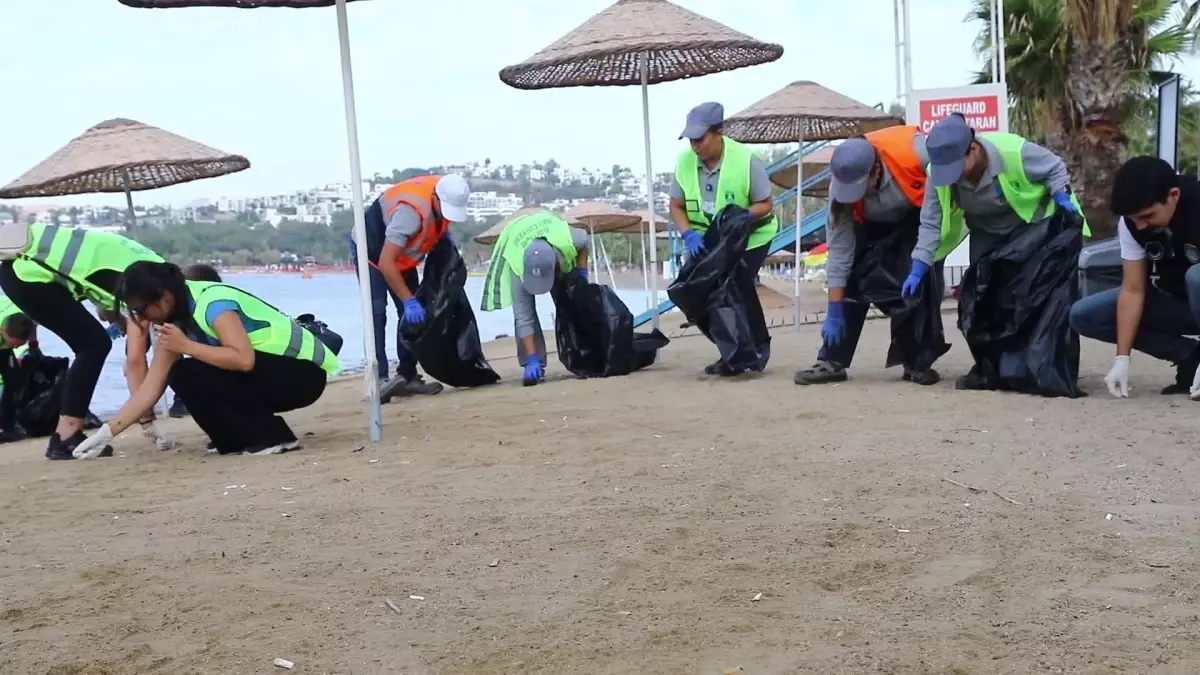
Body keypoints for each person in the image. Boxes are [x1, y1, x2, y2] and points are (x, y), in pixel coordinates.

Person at [73, 261, 341, 459]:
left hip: (302, 375)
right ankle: (231, 440)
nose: (142, 318)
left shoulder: (213, 303)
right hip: (269, 374)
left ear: (164, 296)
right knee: (181, 372)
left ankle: (274, 437)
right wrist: (108, 431)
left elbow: (243, 360)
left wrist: (187, 345)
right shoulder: (173, 321)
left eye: (142, 310)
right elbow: (151, 387)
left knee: (199, 368)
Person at [908, 113, 1087, 389]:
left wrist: (1061, 195)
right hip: (986, 233)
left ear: (974, 148)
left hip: (1032, 229)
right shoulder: (939, 173)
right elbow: (930, 222)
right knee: (982, 301)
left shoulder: (1014, 152)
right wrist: (919, 265)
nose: (954, 176)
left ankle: (1043, 365)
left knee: (1036, 296)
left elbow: (1054, 168)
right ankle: (992, 368)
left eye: (958, 166)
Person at [793, 125, 947, 386]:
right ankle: (831, 359)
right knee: (853, 276)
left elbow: (949, 176)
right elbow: (840, 253)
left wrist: (922, 262)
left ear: (876, 170)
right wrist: (833, 312)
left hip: (917, 218)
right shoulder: (839, 187)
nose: (855, 195)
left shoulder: (917, 153)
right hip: (871, 223)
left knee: (918, 285)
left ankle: (916, 362)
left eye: (859, 188)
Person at [0, 223, 163, 459]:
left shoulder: (149, 267)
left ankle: (66, 434)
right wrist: (148, 425)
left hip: (25, 265)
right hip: (28, 275)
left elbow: (102, 300)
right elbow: (135, 361)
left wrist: (119, 318)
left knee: (93, 342)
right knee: (93, 345)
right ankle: (66, 436)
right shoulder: (149, 289)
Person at [1069, 156, 1199, 398]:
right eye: (1133, 219)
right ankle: (1190, 357)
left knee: (1197, 276)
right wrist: (1122, 357)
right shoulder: (1132, 225)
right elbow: (1132, 289)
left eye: (1147, 216)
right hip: (1177, 304)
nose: (1139, 226)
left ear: (1173, 196)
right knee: (1085, 315)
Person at [669, 101, 778, 375]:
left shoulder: (745, 160)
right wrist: (688, 234)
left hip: (751, 236)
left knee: (735, 284)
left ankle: (756, 350)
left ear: (719, 131)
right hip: (708, 239)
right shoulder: (684, 163)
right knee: (696, 291)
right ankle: (732, 352)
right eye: (691, 139)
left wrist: (743, 217)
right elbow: (676, 206)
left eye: (700, 138)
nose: (695, 146)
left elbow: (765, 203)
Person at [349, 174, 471, 399]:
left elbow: (436, 234)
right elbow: (386, 263)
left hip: (402, 256)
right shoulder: (410, 213)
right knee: (377, 312)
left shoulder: (449, 192)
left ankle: (407, 376)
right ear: (436, 197)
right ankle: (379, 381)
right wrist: (409, 300)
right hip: (372, 251)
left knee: (414, 317)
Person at [480, 209, 590, 386]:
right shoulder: (517, 266)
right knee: (524, 314)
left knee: (573, 303)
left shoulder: (569, 239)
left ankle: (583, 354)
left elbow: (585, 241)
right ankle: (533, 362)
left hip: (551, 242)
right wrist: (532, 358)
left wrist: (582, 272)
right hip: (519, 244)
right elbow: (524, 318)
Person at [123, 263, 223, 451]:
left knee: (199, 367)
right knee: (184, 369)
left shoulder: (213, 308)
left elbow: (135, 360)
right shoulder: (153, 305)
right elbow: (145, 371)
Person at [0, 297, 36, 443]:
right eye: (14, 345)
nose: (16, 349)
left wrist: (33, 345)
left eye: (19, 346)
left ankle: (7, 426)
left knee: (15, 379)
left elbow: (32, 325)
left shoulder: (25, 313)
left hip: (3, 344)